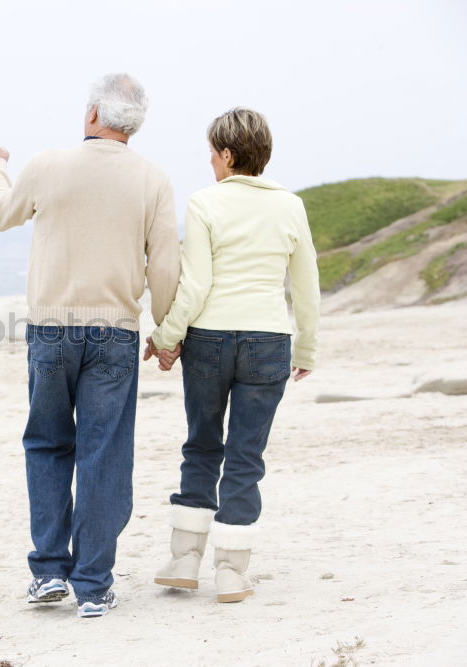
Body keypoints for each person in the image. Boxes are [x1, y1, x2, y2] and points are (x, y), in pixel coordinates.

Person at [0, 73, 181, 617]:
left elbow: (2, 214)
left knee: (46, 445)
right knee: (103, 454)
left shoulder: (47, 165)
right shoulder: (153, 179)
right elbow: (164, 263)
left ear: (92, 114)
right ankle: (92, 583)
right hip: (115, 330)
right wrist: (165, 332)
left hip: (51, 329)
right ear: (133, 125)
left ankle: (47, 573)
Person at [146, 107, 320, 603]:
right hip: (268, 340)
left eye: (211, 152)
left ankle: (184, 559)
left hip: (210, 339)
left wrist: (166, 336)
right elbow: (305, 284)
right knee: (246, 456)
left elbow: (196, 282)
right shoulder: (291, 205)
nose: (209, 161)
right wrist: (307, 344)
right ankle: (230, 570)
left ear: (227, 154)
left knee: (202, 445)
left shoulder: (205, 203)